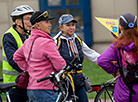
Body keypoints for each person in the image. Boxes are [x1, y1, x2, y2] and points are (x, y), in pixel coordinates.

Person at [13, 11, 66, 102]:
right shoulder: (47, 42)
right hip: (47, 88)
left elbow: (16, 57)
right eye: (46, 22)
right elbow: (61, 65)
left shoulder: (28, 41)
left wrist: (31, 69)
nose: (50, 25)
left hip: (32, 88)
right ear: (38, 25)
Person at [53, 14, 100, 102]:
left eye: (73, 25)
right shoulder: (56, 41)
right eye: (67, 25)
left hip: (78, 79)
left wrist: (105, 60)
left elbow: (91, 54)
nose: (71, 27)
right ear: (61, 27)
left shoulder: (77, 40)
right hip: (65, 81)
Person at [97, 13, 138, 102]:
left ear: (120, 27)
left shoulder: (119, 45)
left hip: (124, 92)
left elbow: (101, 60)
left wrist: (115, 70)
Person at [2, 5, 34, 102]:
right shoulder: (9, 36)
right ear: (18, 21)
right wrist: (32, 70)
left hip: (28, 82)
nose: (31, 22)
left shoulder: (29, 35)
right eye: (27, 19)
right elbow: (13, 60)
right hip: (14, 84)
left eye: (31, 19)